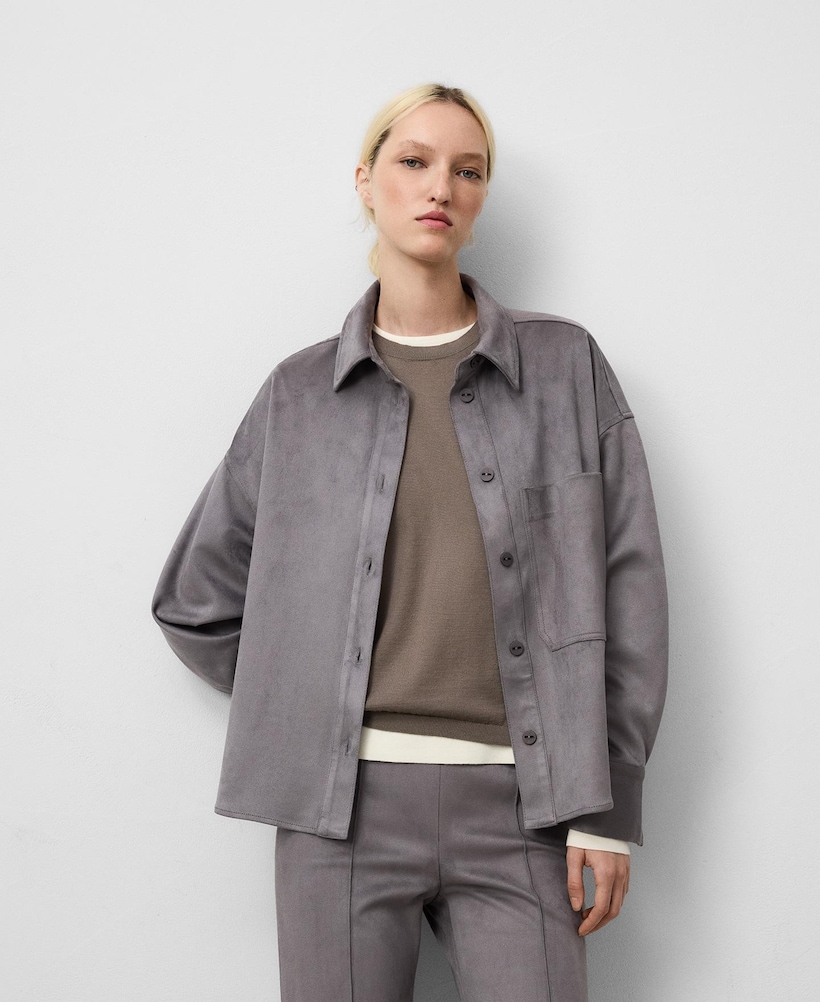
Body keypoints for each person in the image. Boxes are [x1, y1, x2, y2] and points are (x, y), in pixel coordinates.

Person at [151, 83, 669, 1002]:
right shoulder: (300, 397)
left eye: (468, 170)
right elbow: (193, 603)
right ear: (366, 180)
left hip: (532, 808)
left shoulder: (564, 370)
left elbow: (629, 592)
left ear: (481, 196)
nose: (440, 187)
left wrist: (608, 807)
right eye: (415, 161)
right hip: (340, 815)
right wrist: (311, 692)